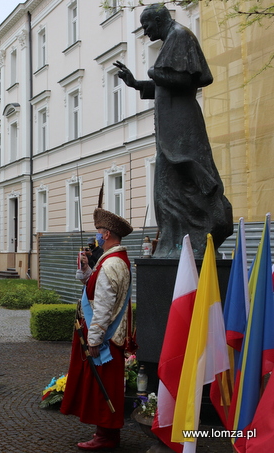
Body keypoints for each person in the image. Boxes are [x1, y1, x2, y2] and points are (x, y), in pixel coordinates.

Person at [114, 3, 232, 258]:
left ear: (159, 20)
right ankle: (173, 243)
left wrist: (154, 72)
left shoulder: (180, 35)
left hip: (182, 123)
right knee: (166, 191)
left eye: (147, 26)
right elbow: (167, 85)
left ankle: (199, 234)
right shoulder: (172, 39)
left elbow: (194, 79)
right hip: (171, 126)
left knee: (185, 181)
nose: (145, 32)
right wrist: (137, 83)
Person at [60, 207, 133, 450]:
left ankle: (105, 437)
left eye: (99, 232)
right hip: (109, 337)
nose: (97, 236)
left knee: (103, 387)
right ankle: (107, 433)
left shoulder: (111, 263)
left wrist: (94, 340)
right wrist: (85, 269)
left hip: (105, 340)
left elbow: (102, 306)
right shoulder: (114, 259)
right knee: (106, 385)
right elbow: (95, 286)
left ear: (108, 234)